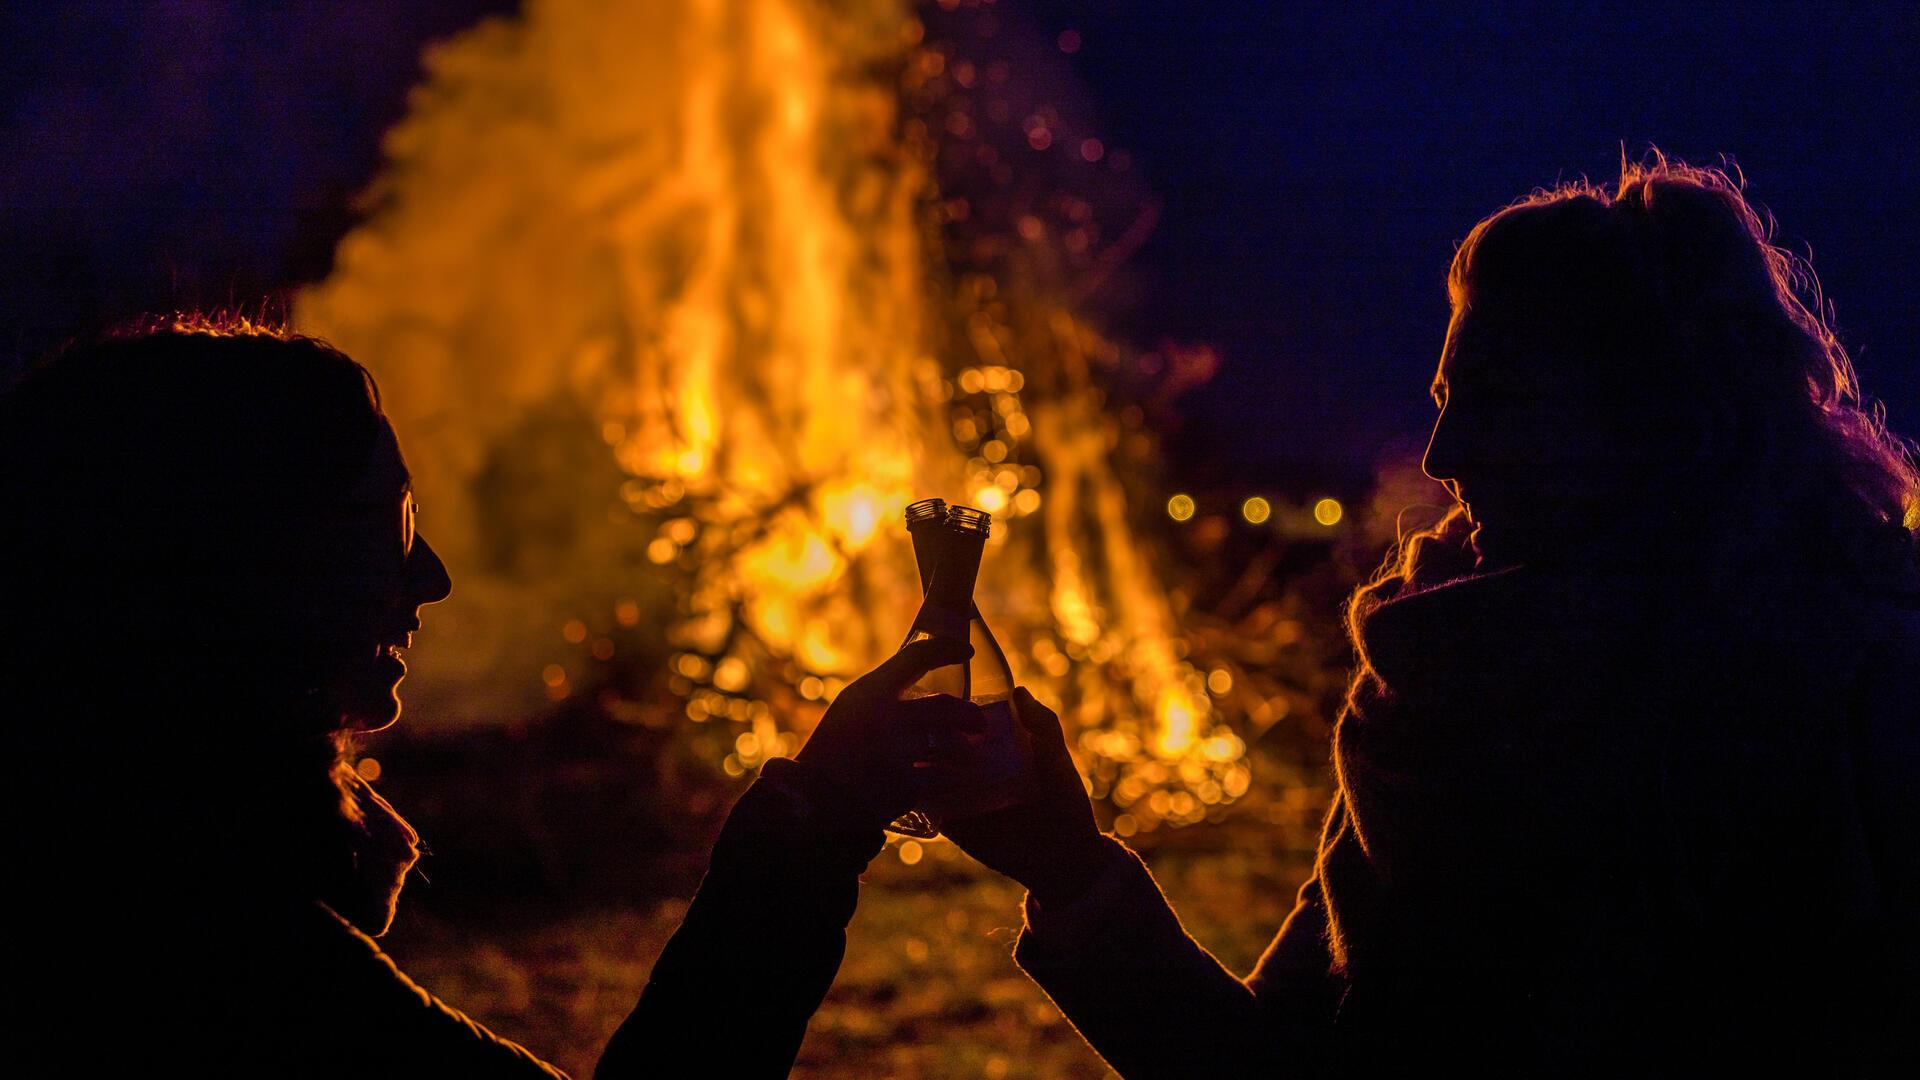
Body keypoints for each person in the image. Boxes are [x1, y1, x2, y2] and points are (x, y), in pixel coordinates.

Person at [941, 154, 1920, 1077]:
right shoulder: (1437, 691)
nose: (1445, 453)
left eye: (1502, 402)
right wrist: (1069, 868)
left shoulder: (1855, 694)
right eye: (1447, 397)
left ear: (1663, 425)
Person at [0, 315, 969, 1077]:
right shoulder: (178, 939)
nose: (430, 579)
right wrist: (818, 823)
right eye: (385, 525)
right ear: (224, 567)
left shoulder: (101, 842)